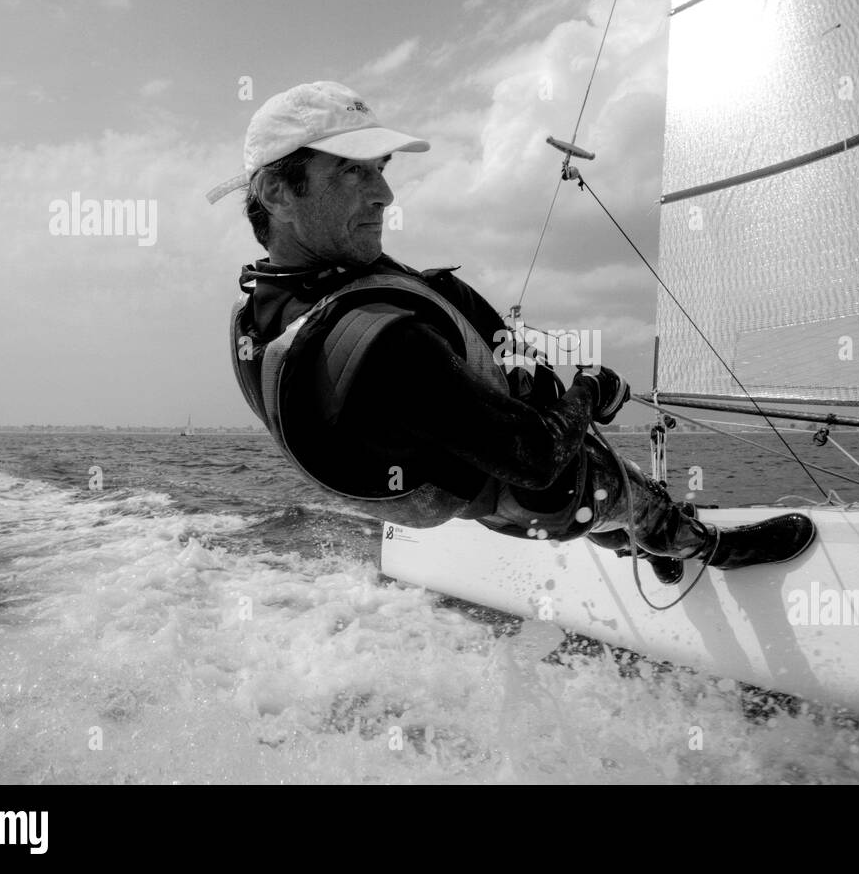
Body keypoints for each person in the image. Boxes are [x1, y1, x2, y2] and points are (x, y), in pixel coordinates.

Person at [209, 81, 815, 584]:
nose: (386, 194)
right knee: (615, 486)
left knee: (593, 481)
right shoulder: (386, 345)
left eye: (381, 168)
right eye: (350, 173)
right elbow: (537, 461)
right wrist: (589, 393)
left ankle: (638, 540)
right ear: (277, 191)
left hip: (471, 458)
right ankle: (699, 547)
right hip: (534, 490)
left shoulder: (265, 311)